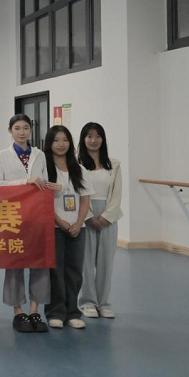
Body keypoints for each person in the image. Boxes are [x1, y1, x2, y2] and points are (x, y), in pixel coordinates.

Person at [0, 114, 50, 334]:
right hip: (13, 217)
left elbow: (44, 182)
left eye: (26, 128)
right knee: (14, 264)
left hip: (37, 216)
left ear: (31, 130)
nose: (22, 132)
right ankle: (18, 312)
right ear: (10, 131)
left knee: (39, 263)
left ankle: (35, 310)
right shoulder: (2, 156)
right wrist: (26, 181)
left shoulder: (39, 155)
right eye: (17, 128)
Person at [43, 125, 93, 330]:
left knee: (74, 272)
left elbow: (85, 198)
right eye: (56, 140)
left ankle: (73, 312)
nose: (61, 144)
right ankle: (55, 312)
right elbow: (42, 200)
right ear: (49, 143)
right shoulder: (45, 169)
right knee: (55, 271)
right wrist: (59, 221)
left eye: (65, 140)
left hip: (77, 229)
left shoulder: (79, 169)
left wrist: (79, 223)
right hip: (54, 228)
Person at [78, 122, 123, 320]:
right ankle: (87, 302)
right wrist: (87, 216)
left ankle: (103, 303)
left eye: (97, 136)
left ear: (103, 139)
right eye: (89, 136)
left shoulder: (114, 164)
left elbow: (117, 194)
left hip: (108, 216)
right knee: (86, 263)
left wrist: (106, 216)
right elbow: (76, 192)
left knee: (106, 262)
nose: (93, 140)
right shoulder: (77, 164)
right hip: (84, 214)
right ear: (83, 139)